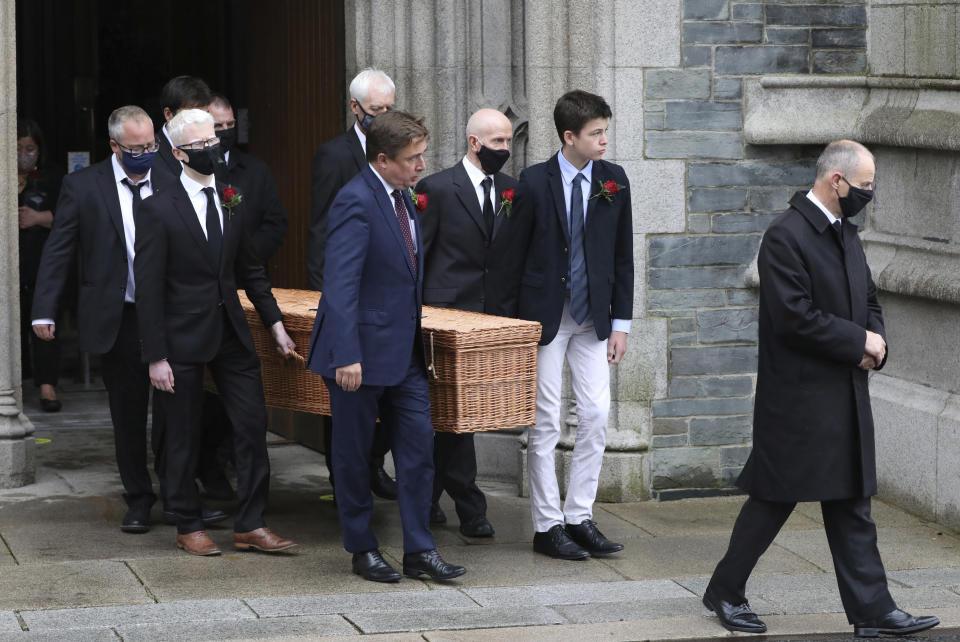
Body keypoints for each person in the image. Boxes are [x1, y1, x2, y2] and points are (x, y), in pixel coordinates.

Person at [702, 140, 939, 638]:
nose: (869, 194)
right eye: (866, 185)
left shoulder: (846, 234)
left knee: (852, 500)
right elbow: (793, 318)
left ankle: (874, 610)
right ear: (837, 181)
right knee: (773, 499)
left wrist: (875, 343)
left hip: (845, 391)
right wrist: (858, 342)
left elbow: (869, 298)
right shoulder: (785, 236)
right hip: (798, 400)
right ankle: (725, 590)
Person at [306, 110, 465, 583]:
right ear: (382, 159)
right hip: (358, 356)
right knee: (354, 456)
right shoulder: (354, 201)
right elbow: (340, 286)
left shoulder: (402, 197)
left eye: (422, 156)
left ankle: (419, 549)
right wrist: (346, 354)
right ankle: (362, 548)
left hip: (406, 354)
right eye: (412, 159)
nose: (421, 166)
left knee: (418, 452)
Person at [134, 108, 297, 556]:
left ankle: (251, 522)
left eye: (216, 140)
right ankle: (187, 522)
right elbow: (148, 288)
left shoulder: (232, 197)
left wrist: (276, 324)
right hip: (180, 338)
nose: (214, 149)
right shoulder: (157, 209)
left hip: (231, 332)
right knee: (183, 433)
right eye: (203, 144)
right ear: (179, 152)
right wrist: (155, 355)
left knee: (250, 424)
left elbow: (250, 270)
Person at [31, 106, 186, 533]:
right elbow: (60, 248)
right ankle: (138, 498)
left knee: (175, 413)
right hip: (117, 317)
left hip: (168, 316)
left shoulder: (173, 177)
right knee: (128, 414)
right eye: (136, 148)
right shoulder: (83, 186)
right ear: (115, 146)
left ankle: (177, 498)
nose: (146, 153)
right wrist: (44, 308)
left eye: (152, 145)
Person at [513, 90, 634, 561]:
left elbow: (622, 254)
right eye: (596, 133)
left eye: (606, 130)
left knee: (597, 415)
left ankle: (579, 515)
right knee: (544, 421)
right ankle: (547, 525)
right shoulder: (532, 182)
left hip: (594, 320)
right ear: (570, 137)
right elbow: (512, 256)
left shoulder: (614, 181)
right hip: (546, 319)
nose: (605, 140)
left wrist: (620, 322)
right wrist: (510, 326)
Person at [414, 108, 521, 538]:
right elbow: (418, 255)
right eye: (498, 142)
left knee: (463, 414)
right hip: (444, 317)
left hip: (490, 319)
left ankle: (427, 496)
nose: (506, 150)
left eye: (509, 142)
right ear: (474, 142)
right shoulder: (437, 188)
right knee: (449, 413)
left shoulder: (514, 191)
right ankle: (469, 505)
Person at [306, 67, 398, 501]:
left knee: (384, 390)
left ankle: (375, 465)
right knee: (346, 388)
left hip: (385, 294)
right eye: (375, 110)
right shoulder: (334, 155)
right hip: (345, 292)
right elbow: (321, 229)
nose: (382, 117)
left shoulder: (399, 152)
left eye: (389, 109)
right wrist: (322, 292)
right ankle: (343, 473)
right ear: (355, 107)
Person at [196, 93, 289, 501]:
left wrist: (241, 256)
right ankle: (207, 467)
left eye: (230, 125)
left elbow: (274, 222)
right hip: (200, 300)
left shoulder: (255, 170)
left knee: (247, 404)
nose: (224, 133)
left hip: (245, 292)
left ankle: (249, 497)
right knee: (205, 399)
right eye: (217, 128)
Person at [17, 118, 64, 412]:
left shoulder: (53, 177)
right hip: (11, 267)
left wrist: (40, 217)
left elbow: (73, 219)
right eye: (19, 148)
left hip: (43, 263)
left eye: (30, 148)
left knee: (44, 323)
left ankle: (48, 386)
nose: (24, 153)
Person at [155, 76, 213, 176]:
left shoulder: (212, 145)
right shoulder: (150, 152)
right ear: (168, 114)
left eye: (205, 114)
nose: (200, 121)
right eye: (191, 115)